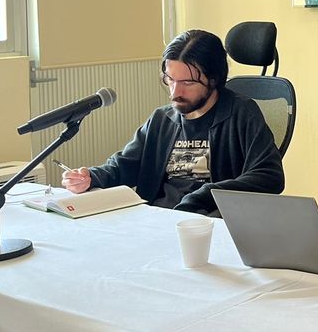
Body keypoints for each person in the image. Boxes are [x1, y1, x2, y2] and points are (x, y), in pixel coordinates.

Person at [61, 29, 284, 215]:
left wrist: (204, 194)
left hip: (208, 223)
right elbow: (125, 165)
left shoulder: (241, 114)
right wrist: (91, 176)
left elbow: (269, 176)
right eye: (170, 79)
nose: (175, 92)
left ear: (214, 79)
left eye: (187, 82)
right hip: (159, 220)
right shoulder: (162, 119)